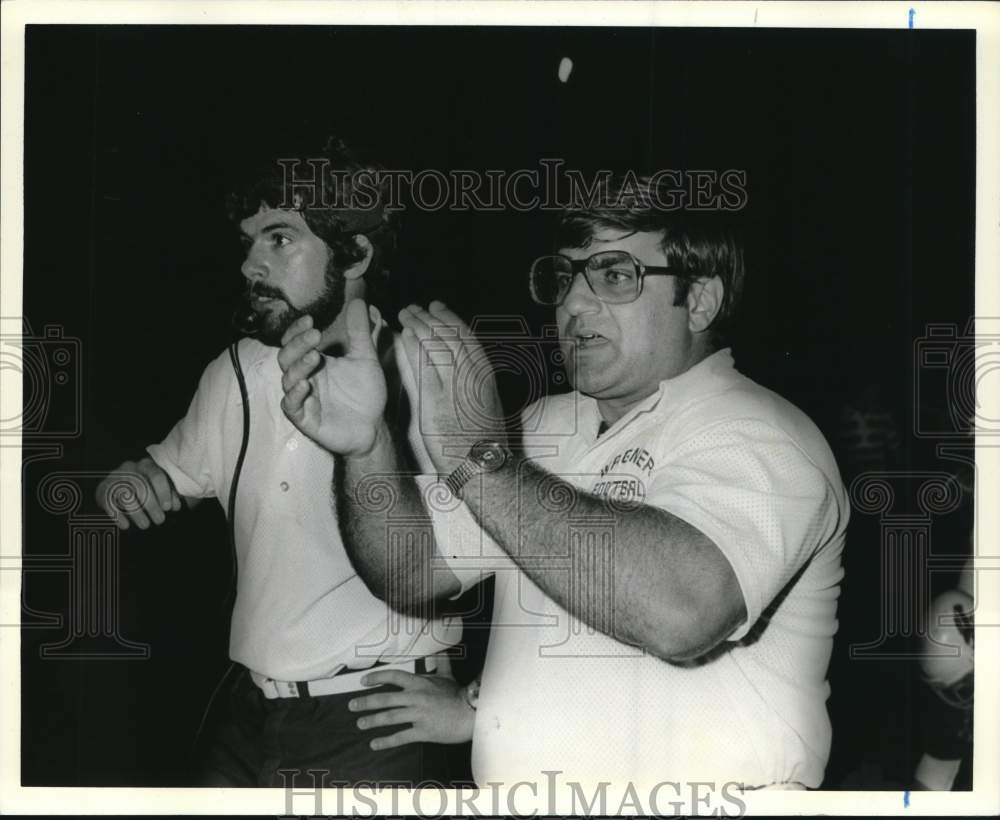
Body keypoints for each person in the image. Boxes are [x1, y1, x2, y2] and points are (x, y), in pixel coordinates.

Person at [278, 175, 850, 789]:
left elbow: (681, 612)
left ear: (701, 300)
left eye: (614, 275)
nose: (574, 305)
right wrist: (367, 449)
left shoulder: (762, 433)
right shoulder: (542, 426)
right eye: (565, 278)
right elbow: (410, 570)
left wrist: (484, 459)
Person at [94, 135, 464, 787]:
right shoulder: (235, 369)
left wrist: (477, 705)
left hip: (371, 721)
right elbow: (170, 477)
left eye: (280, 238)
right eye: (248, 243)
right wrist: (132, 484)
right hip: (248, 712)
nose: (250, 266)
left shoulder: (427, 368)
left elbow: (513, 552)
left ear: (354, 253)